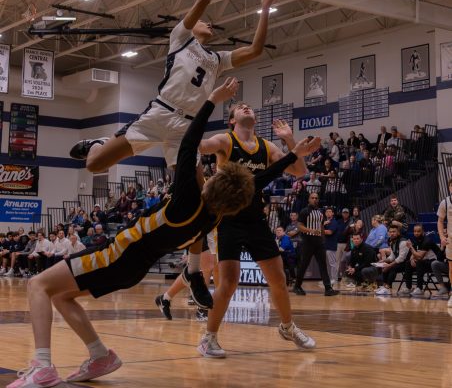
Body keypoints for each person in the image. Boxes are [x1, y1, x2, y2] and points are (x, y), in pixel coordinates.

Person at [7, 79, 317, 388]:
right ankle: (100, 355)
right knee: (62, 296)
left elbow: (189, 142)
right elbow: (256, 181)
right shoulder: (212, 217)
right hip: (133, 269)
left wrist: (211, 99)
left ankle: (43, 366)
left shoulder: (187, 200)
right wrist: (291, 156)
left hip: (115, 255)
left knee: (38, 285)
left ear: (213, 184)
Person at [70, 0, 281, 294]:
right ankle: (97, 144)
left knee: (198, 200)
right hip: (159, 114)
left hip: (186, 129)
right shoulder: (180, 38)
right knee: (94, 165)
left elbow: (256, 50)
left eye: (211, 22)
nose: (209, 23)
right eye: (205, 21)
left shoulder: (217, 59)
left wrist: (266, 7)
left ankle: (195, 272)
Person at [195, 101, 319, 358]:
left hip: (256, 220)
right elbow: (199, 145)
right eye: (239, 107)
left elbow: (300, 170)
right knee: (228, 283)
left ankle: (287, 327)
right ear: (232, 120)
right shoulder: (225, 141)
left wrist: (288, 140)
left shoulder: (267, 146)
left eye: (248, 106)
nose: (245, 106)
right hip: (227, 220)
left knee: (279, 280)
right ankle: (209, 338)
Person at [292, 193, 339, 296]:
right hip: (307, 241)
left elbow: (321, 226)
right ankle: (297, 286)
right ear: (309, 199)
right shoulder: (305, 211)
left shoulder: (320, 212)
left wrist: (323, 239)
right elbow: (299, 226)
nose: (315, 199)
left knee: (323, 265)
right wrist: (311, 230)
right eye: (312, 198)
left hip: (319, 242)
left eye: (316, 198)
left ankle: (328, 289)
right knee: (304, 265)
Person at [437, 178, 452, 307]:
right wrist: (442, 236)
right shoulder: (445, 202)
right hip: (451, 241)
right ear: (449, 187)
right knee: (451, 268)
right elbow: (440, 221)